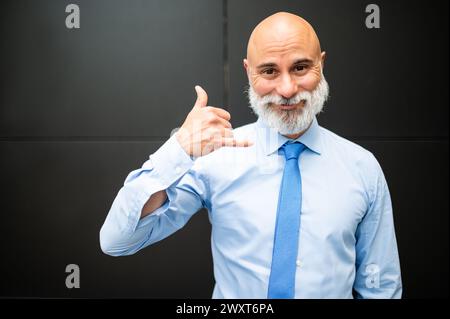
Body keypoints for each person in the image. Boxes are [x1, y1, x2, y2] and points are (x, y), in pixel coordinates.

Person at [100, 12, 402, 299]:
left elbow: (381, 287)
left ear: (321, 65)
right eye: (269, 71)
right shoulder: (214, 158)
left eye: (300, 67)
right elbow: (117, 240)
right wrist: (178, 149)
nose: (286, 89)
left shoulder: (362, 168)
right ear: (248, 71)